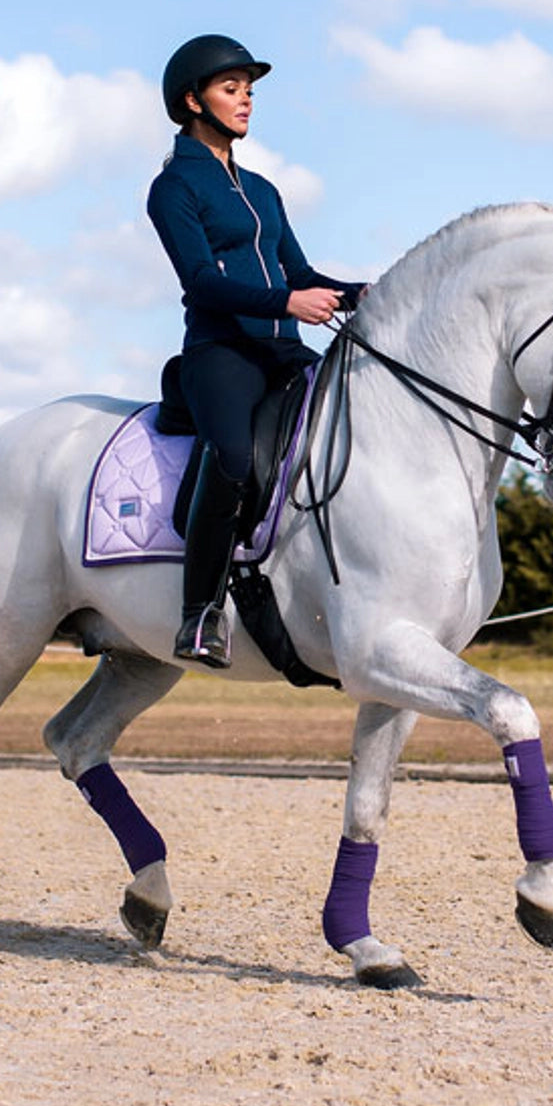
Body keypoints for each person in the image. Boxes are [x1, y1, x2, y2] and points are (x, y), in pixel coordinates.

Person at [148, 34, 366, 668]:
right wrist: (288, 305)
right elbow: (202, 282)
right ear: (192, 100)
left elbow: (299, 271)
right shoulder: (174, 189)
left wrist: (363, 294)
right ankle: (200, 615)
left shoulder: (265, 191)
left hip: (283, 351)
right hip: (222, 352)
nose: (245, 101)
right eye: (230, 89)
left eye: (249, 91)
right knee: (236, 456)